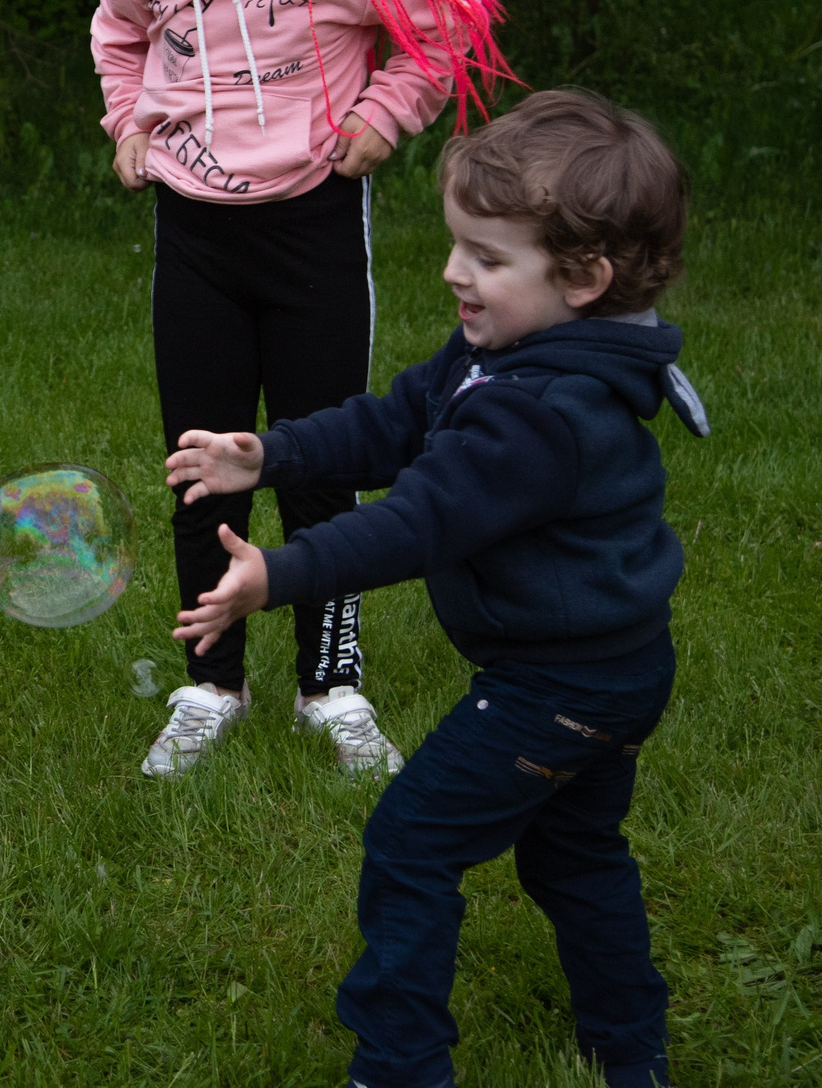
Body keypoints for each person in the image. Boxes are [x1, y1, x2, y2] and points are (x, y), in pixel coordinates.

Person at [166, 89, 704, 1088]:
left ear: (583, 277)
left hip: (555, 688)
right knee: (573, 852)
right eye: (457, 243)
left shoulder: (545, 412)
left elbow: (417, 520)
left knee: (410, 841)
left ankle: (400, 1063)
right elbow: (397, 416)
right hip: (613, 671)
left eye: (489, 258)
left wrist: (276, 573)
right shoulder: (504, 352)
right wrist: (269, 451)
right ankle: (630, 1050)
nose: (455, 272)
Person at [91, 0, 513, 779]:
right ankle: (210, 679)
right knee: (200, 461)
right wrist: (126, 123)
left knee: (318, 456)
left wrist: (384, 112)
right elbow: (118, 36)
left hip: (312, 232)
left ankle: (331, 681)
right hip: (194, 237)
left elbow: (440, 34)